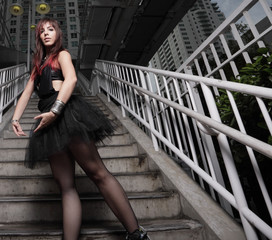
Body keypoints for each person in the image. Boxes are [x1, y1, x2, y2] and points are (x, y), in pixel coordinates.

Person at [11, 17, 150, 240]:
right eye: (42, 31)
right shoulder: (38, 63)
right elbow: (27, 91)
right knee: (65, 186)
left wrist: (56, 111)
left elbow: (72, 79)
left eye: (51, 29)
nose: (46, 33)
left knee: (97, 173)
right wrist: (15, 118)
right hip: (47, 120)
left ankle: (136, 233)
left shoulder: (62, 55)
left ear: (58, 33)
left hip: (66, 112)